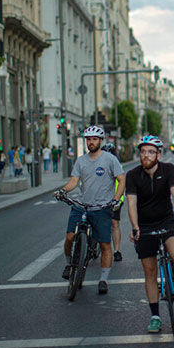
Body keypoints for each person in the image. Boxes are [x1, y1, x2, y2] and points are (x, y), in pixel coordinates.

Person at [126, 135, 174, 333]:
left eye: (150, 152)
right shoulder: (132, 175)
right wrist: (135, 227)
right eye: (142, 152)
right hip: (145, 225)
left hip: (167, 219)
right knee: (149, 271)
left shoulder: (168, 169)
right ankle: (155, 316)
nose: (145, 155)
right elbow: (131, 203)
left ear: (158, 154)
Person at [55, 126, 125, 295]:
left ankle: (103, 279)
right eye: (88, 139)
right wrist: (63, 191)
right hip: (81, 205)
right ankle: (69, 264)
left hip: (101, 208)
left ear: (100, 141)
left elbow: (121, 180)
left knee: (105, 245)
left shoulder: (110, 159)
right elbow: (74, 181)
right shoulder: (81, 161)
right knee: (69, 237)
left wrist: (116, 199)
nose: (91, 142)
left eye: (94, 139)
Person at [102, 143, 125, 262]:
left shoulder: (117, 166)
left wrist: (116, 200)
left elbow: (121, 183)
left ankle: (116, 251)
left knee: (114, 223)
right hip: (98, 199)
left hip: (115, 198)